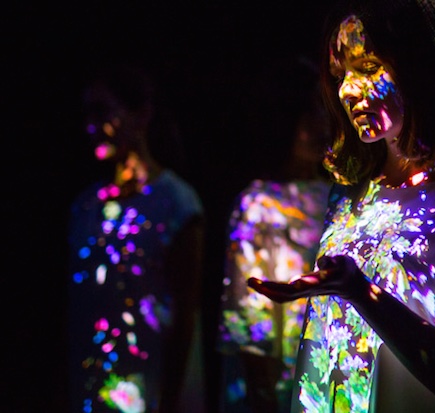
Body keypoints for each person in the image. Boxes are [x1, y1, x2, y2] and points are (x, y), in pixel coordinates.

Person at [247, 1, 435, 412]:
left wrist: (361, 292)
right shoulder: (348, 196)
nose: (347, 90)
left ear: (420, 65)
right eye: (342, 74)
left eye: (368, 67)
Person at [66, 62, 207, 413]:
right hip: (93, 389)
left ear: (141, 115)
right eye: (87, 113)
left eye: (103, 111)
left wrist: (169, 401)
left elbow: (184, 312)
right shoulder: (85, 207)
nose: (91, 126)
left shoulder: (176, 202)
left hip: (154, 389)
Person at [216, 55, 332, 413]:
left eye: (322, 109)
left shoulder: (341, 193)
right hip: (283, 381)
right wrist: (264, 392)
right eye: (305, 113)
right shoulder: (259, 204)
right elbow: (248, 313)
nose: (318, 125)